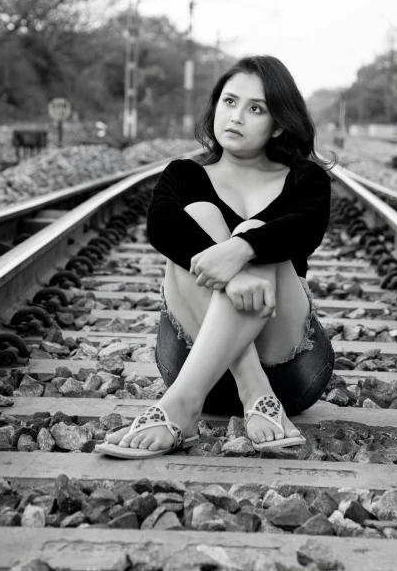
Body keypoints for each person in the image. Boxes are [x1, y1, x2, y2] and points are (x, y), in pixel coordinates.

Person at [96, 55, 335, 459]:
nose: (236, 117)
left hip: (290, 372)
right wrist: (232, 275)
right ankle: (242, 388)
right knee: (197, 215)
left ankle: (185, 407)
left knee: (254, 233)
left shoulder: (305, 181)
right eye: (229, 102)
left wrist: (242, 250)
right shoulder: (183, 175)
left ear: (277, 123)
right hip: (192, 358)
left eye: (255, 108)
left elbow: (305, 231)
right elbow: (161, 227)